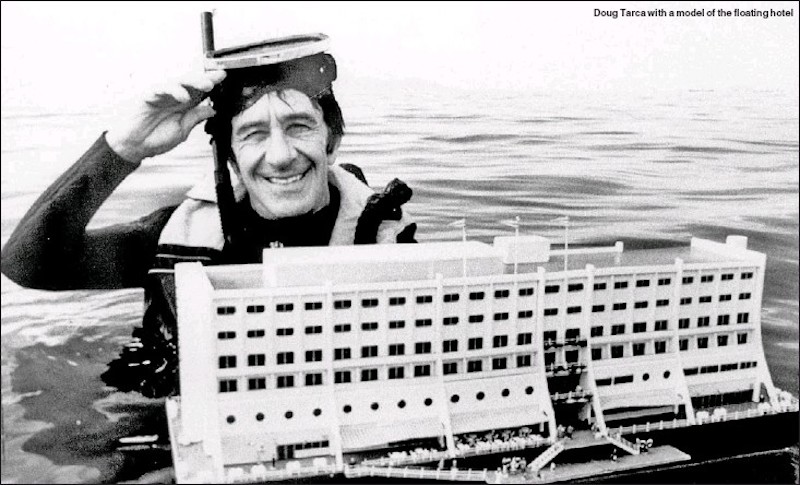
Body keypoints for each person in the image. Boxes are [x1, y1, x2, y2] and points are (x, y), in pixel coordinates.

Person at [0, 32, 416, 397]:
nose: (281, 156)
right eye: (253, 135)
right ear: (230, 158)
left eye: (299, 127)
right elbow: (28, 265)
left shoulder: (390, 246)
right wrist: (123, 151)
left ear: (332, 140)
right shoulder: (174, 235)